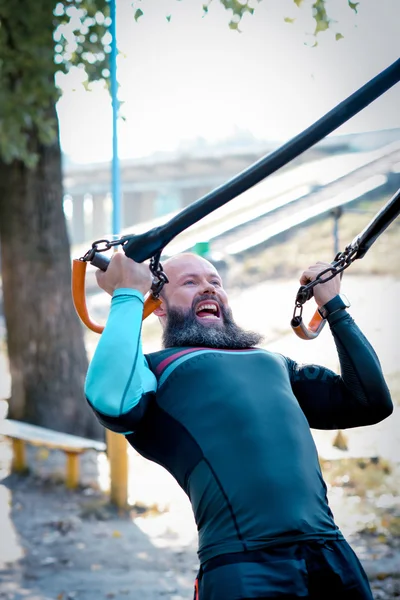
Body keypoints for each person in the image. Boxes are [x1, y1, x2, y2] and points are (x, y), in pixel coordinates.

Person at [85, 251, 393, 600]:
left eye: (215, 282)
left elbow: (371, 402)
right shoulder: (153, 372)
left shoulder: (275, 363)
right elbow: (110, 399)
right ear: (158, 305)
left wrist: (334, 305)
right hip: (243, 567)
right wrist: (127, 293)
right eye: (190, 282)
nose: (208, 288)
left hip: (331, 553)